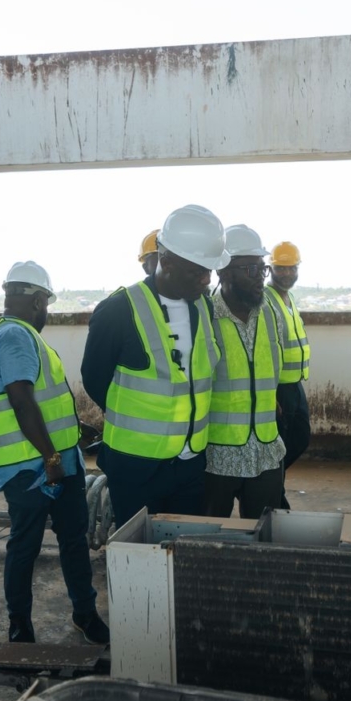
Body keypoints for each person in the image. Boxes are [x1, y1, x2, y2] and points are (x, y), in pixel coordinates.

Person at [0, 261, 109, 646]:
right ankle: (19, 622)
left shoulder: (21, 336)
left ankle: (84, 613)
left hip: (60, 459)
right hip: (32, 468)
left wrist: (74, 431)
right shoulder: (15, 337)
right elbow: (21, 400)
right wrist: (51, 459)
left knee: (73, 538)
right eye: (46, 304)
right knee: (26, 545)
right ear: (38, 300)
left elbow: (43, 400)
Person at [82, 205, 229, 524]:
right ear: (166, 260)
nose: (206, 280)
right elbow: (94, 380)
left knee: (182, 553)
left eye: (209, 271)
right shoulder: (119, 310)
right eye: (196, 271)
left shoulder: (202, 306)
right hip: (136, 468)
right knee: (138, 558)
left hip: (190, 464)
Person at [204, 226, 286, 519]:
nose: (259, 279)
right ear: (223, 272)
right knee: (211, 537)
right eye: (250, 269)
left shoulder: (270, 313)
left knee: (263, 535)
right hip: (218, 455)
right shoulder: (206, 317)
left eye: (261, 269)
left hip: (265, 450)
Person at [265, 241, 311, 506]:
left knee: (300, 439)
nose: (287, 274)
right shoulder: (266, 299)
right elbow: (265, 348)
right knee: (280, 445)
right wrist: (270, 394)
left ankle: (271, 483)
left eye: (291, 268)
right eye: (281, 268)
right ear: (271, 268)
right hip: (278, 388)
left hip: (295, 383)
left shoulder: (290, 298)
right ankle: (274, 495)